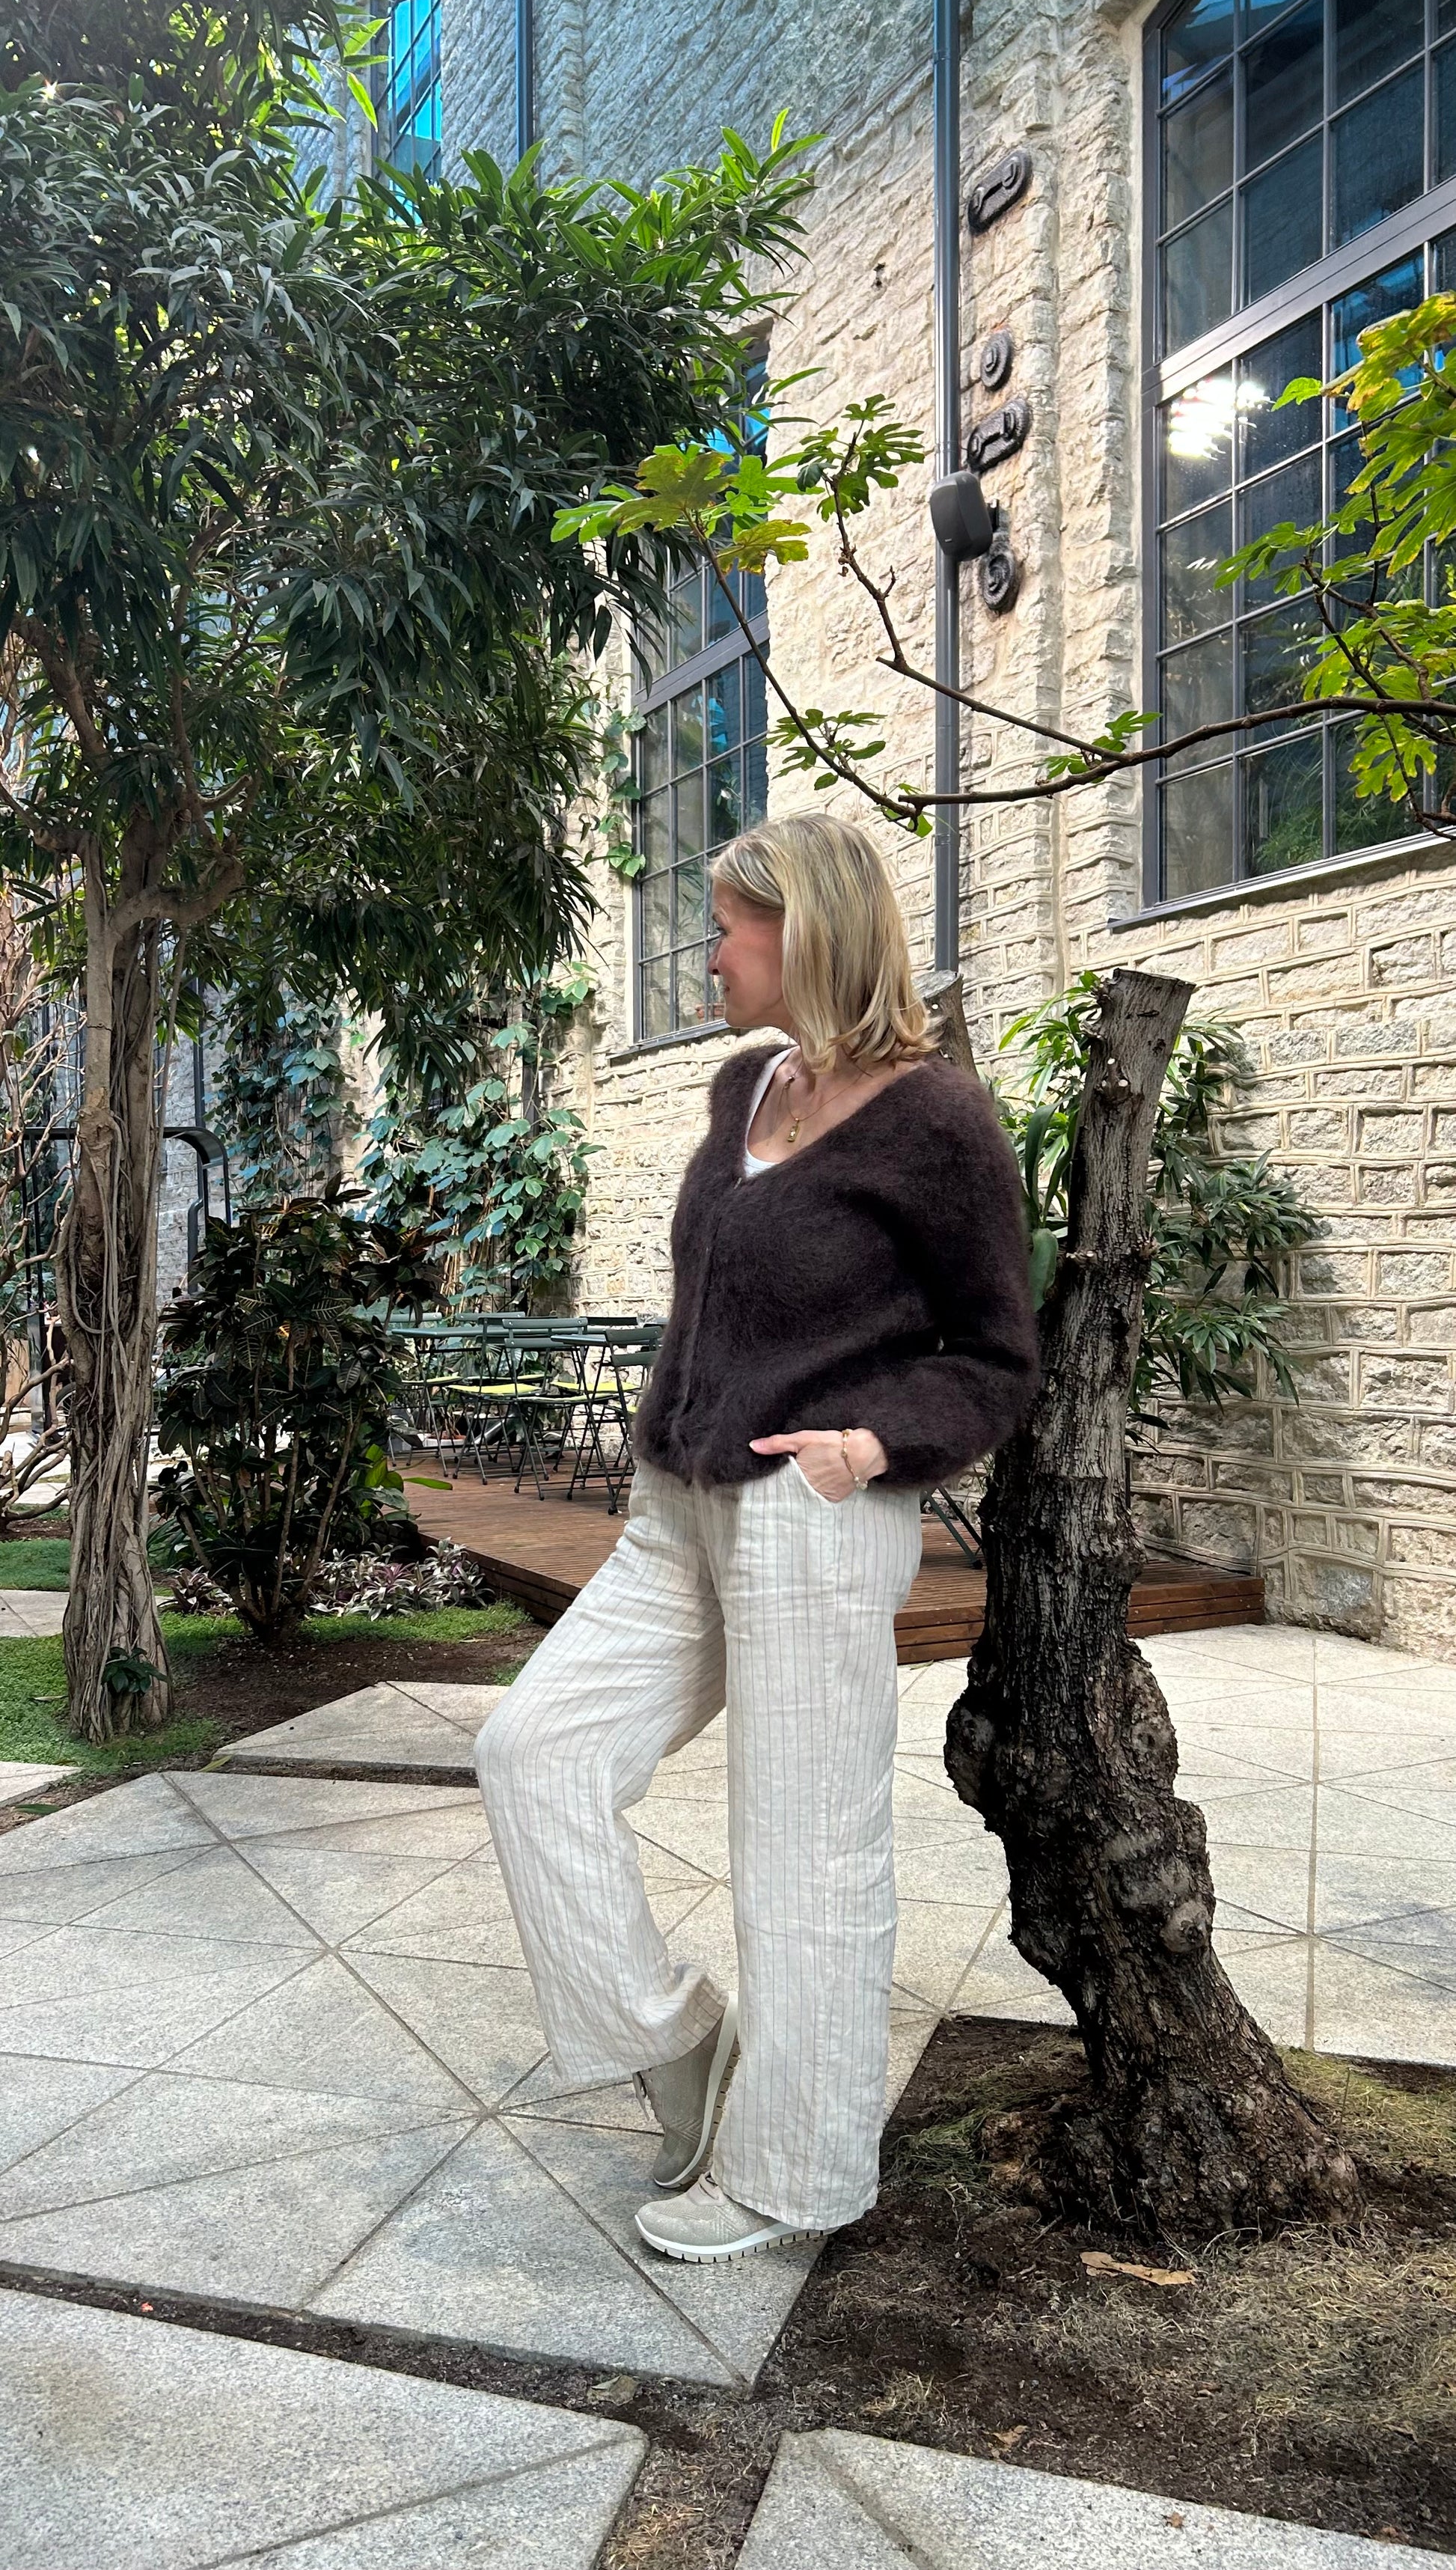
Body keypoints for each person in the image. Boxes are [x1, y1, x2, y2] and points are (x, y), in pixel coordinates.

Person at [475, 814, 1037, 2265]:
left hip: (811, 1512)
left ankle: (789, 2168)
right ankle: (674, 2044)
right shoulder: (745, 1086)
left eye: (730, 925)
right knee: (533, 1750)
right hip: (675, 1508)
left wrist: (866, 1446)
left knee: (801, 1853)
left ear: (811, 934)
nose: (708, 950)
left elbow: (993, 1356)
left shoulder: (936, 1123)